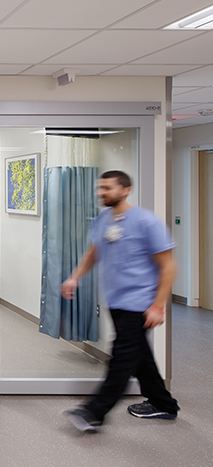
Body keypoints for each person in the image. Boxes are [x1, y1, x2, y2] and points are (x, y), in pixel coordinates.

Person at [61, 170, 179, 433]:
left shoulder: (147, 221)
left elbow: (168, 267)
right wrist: (74, 278)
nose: (101, 193)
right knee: (140, 357)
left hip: (140, 303)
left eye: (108, 188)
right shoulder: (103, 219)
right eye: (100, 188)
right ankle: (164, 403)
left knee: (122, 358)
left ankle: (94, 413)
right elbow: (95, 252)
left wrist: (158, 305)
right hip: (116, 301)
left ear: (126, 190)